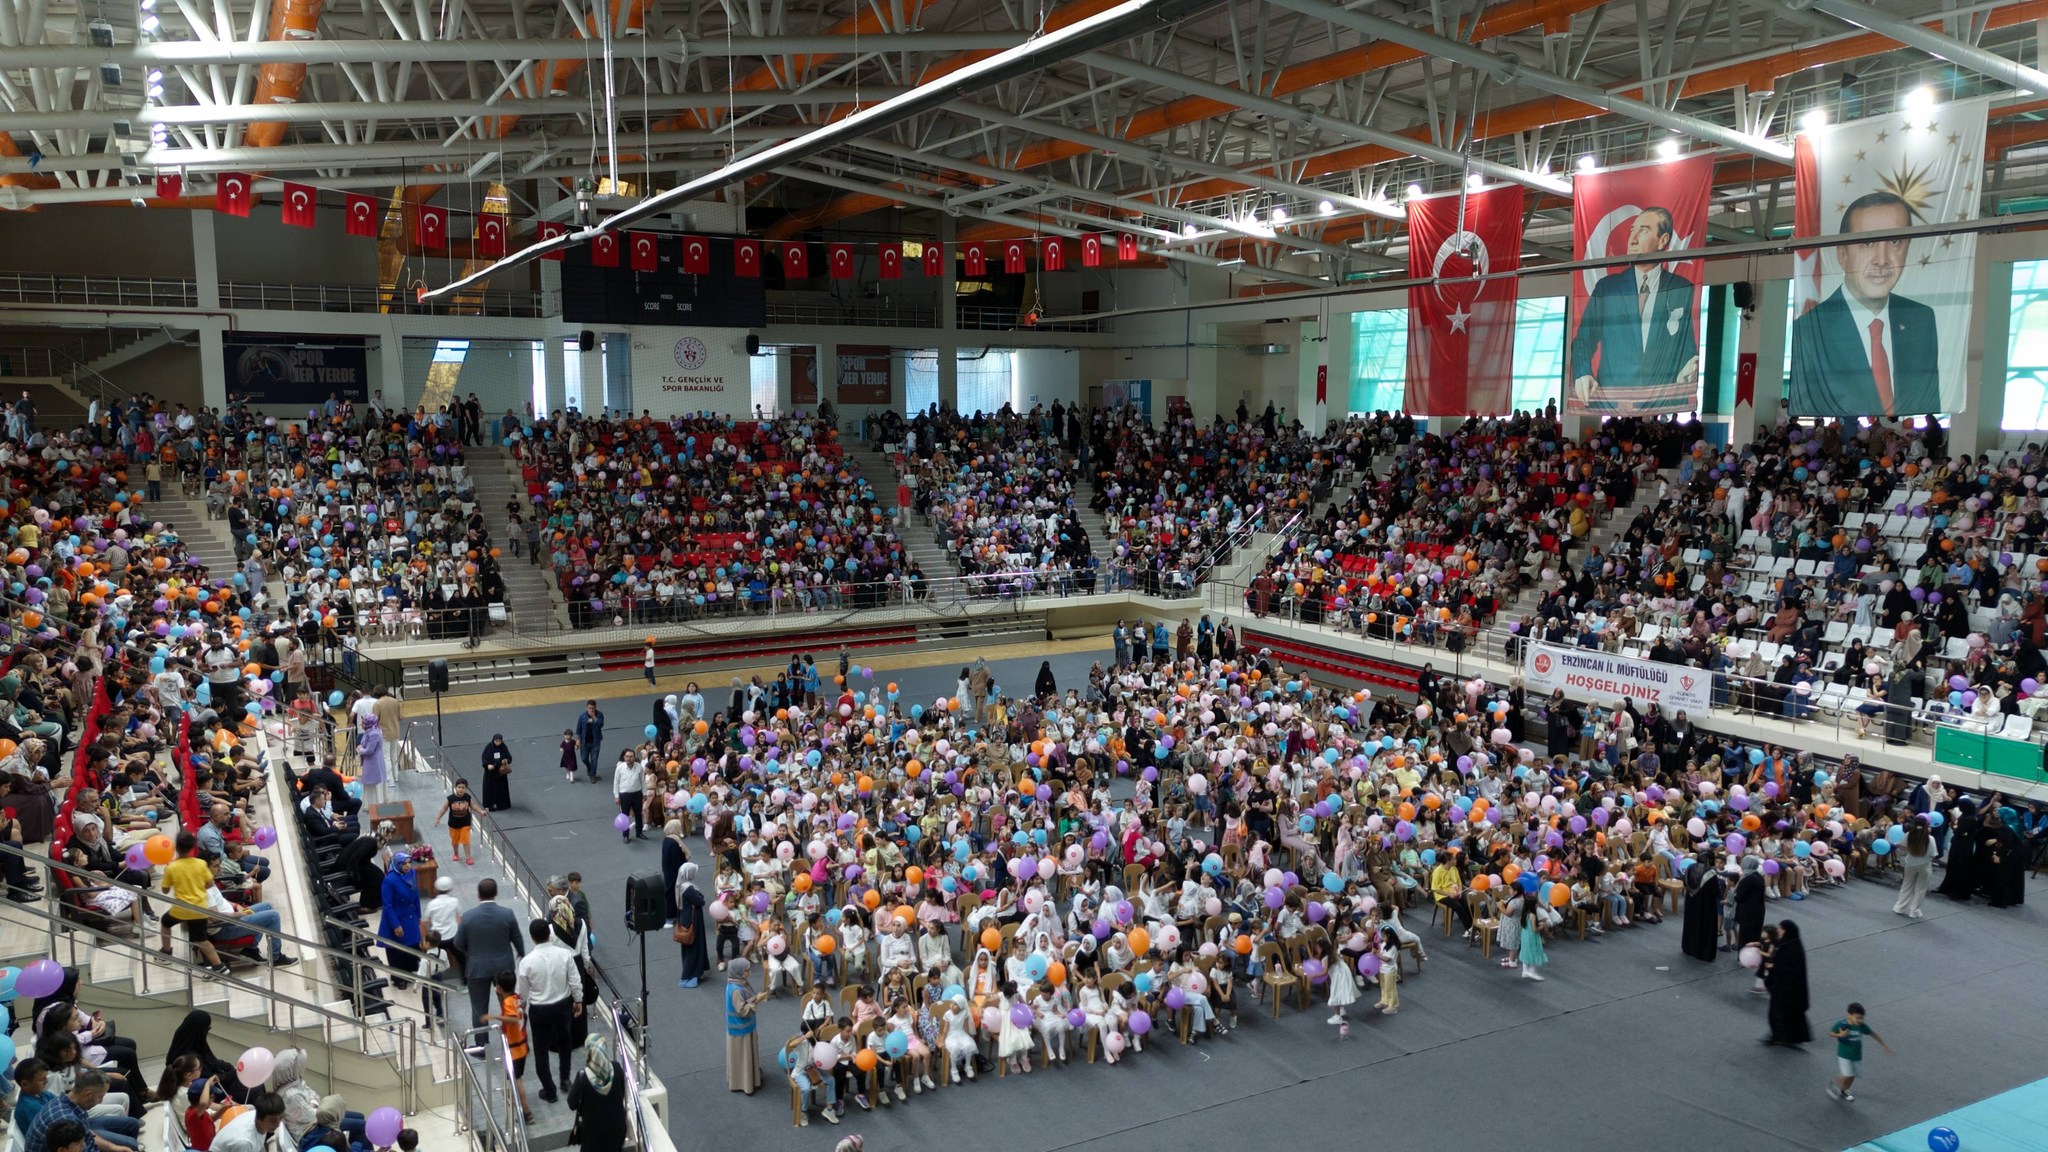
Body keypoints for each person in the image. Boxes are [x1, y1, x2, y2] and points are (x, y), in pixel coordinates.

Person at [1790, 191, 1943, 418]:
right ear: (1842, 255)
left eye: (1894, 242)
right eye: (1867, 243)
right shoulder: (1812, 329)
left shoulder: (1921, 319)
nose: (1882, 259)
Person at [1568, 206, 1700, 410]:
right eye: (1632, 230)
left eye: (1644, 230)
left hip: (1663, 400)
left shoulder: (1682, 289)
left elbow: (1689, 342)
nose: (1633, 239)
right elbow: (1583, 339)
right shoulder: (1608, 288)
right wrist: (1582, 372)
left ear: (1663, 240)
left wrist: (1690, 364)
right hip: (1612, 399)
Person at [514, 918, 584, 1104]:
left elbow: (521, 992)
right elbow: (575, 981)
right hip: (563, 1006)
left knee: (541, 1050)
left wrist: (520, 1007)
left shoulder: (527, 962)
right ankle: (564, 1079)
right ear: (549, 934)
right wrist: (578, 1000)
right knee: (565, 1042)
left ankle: (549, 1090)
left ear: (532, 937)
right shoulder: (564, 955)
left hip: (539, 1010)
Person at [451, 878, 526, 1040]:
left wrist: (471, 954)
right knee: (508, 1004)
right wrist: (521, 954)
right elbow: (517, 938)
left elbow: (458, 942)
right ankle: (513, 1038)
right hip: (503, 967)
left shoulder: (468, 917)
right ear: (496, 893)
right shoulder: (507, 914)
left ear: (478, 894)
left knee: (479, 1008)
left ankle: (481, 1044)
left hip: (477, 968)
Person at [481, 971, 534, 1124]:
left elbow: (513, 1018)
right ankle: (514, 1101)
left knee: (517, 1080)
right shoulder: (516, 998)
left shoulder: (508, 1002)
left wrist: (494, 1017)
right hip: (521, 1045)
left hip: (514, 1049)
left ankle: (526, 1112)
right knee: (515, 1079)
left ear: (499, 987)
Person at [565, 1036, 627, 1150]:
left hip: (593, 1132)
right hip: (617, 1127)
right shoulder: (617, 1068)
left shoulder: (583, 1077)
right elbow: (623, 1093)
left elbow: (571, 1104)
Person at [1827, 1002, 1892, 1102]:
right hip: (1844, 1054)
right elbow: (1831, 1033)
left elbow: (1872, 1034)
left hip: (1856, 1055)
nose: (1860, 1020)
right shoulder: (1842, 1025)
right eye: (1857, 1018)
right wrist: (1840, 1035)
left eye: (1862, 1018)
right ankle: (1834, 1082)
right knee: (1846, 1074)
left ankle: (1844, 1090)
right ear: (1849, 1015)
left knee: (1852, 1075)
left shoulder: (1861, 1026)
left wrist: (1883, 1044)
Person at [1762, 920, 1811, 1047]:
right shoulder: (1789, 945)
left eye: (1781, 929)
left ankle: (1780, 1036)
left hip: (1787, 989)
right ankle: (1784, 1036)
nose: (1779, 931)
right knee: (1786, 1014)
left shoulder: (1791, 949)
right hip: (1786, 989)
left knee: (1778, 1013)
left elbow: (1788, 969)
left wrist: (1773, 967)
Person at [378, 851, 424, 988]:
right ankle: (399, 978)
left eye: (409, 862)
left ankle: (410, 971)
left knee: (412, 946)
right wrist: (395, 925)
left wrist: (418, 915)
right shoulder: (389, 880)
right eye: (404, 863)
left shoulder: (412, 874)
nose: (408, 866)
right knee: (397, 950)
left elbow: (415, 896)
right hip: (396, 918)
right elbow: (387, 906)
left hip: (410, 915)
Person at [725, 957, 763, 1094]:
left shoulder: (739, 984)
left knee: (744, 1057)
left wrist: (755, 998)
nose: (749, 973)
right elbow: (742, 1010)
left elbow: (746, 1001)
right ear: (739, 972)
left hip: (745, 1027)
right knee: (743, 1057)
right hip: (740, 1030)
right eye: (746, 970)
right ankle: (745, 1084)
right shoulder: (736, 990)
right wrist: (755, 1002)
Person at [1680, 849, 1725, 963]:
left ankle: (1689, 948)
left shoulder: (1690, 868)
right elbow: (1715, 891)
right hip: (1705, 906)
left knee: (1691, 923)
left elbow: (1685, 883)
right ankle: (1703, 952)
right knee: (1704, 926)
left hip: (1691, 902)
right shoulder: (1711, 873)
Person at [208, 1091, 286, 1152]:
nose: (278, 1124)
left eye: (281, 1118)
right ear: (259, 1118)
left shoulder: (256, 1114)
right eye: (273, 1120)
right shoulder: (244, 1142)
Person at [674, 860, 711, 988]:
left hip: (686, 918)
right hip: (693, 920)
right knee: (694, 948)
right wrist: (700, 897)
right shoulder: (689, 888)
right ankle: (689, 975)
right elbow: (700, 901)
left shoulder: (681, 886)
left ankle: (694, 972)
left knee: (689, 948)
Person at [1893, 818, 1935, 918]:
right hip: (1924, 865)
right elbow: (1933, 855)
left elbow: (1902, 847)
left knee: (1906, 885)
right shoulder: (1930, 839)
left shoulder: (1909, 834)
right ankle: (1914, 911)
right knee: (1920, 889)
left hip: (1910, 863)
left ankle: (1900, 907)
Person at [433, 777, 477, 867]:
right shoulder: (450, 798)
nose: (461, 789)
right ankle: (456, 853)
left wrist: (481, 811)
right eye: (459, 787)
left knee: (466, 840)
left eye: (463, 787)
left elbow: (473, 806)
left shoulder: (468, 797)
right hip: (453, 824)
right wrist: (438, 818)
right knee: (455, 841)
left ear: (466, 789)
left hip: (465, 823)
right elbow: (443, 809)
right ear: (455, 787)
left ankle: (468, 857)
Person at [1730, 855, 1768, 952]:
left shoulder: (1746, 879)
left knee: (1745, 936)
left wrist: (1734, 892)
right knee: (1755, 934)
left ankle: (1744, 958)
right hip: (1758, 910)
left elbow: (1738, 897)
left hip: (1747, 912)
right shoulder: (1759, 876)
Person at [611, 749, 646, 842]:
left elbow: (643, 781)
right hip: (624, 795)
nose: (629, 758)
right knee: (624, 816)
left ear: (634, 757)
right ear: (624, 757)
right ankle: (625, 835)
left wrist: (645, 793)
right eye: (627, 756)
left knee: (638, 814)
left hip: (637, 794)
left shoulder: (639, 767)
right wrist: (616, 796)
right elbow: (616, 782)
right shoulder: (619, 768)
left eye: (631, 756)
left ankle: (639, 832)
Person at [479, 735, 514, 811]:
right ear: (493, 741)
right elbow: (484, 758)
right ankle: (489, 805)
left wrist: (506, 760)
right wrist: (487, 765)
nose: (498, 743)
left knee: (501, 789)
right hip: (490, 773)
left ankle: (502, 805)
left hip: (500, 773)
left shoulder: (504, 747)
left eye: (499, 741)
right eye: (496, 741)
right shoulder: (488, 748)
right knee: (489, 789)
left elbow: (509, 757)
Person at [1517, 897, 1548, 981]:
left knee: (1526, 951)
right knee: (1535, 951)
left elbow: (1528, 924)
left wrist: (1539, 923)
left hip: (1525, 935)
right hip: (1532, 937)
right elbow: (1535, 929)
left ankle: (1525, 971)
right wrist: (1542, 926)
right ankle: (1532, 972)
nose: (1538, 905)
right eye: (1536, 904)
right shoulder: (1533, 915)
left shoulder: (1524, 913)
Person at [573, 702, 604, 783]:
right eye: (589, 708)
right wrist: (578, 739)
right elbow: (578, 729)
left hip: (595, 742)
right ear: (587, 707)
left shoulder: (600, 715)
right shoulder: (582, 716)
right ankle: (589, 767)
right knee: (584, 758)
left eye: (593, 708)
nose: (591, 709)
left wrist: (594, 717)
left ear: (595, 708)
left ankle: (593, 775)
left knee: (594, 759)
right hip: (584, 742)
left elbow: (601, 724)